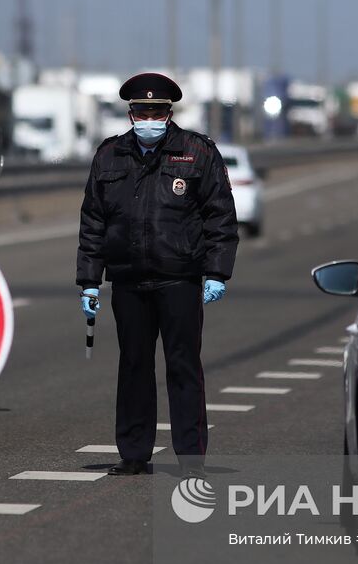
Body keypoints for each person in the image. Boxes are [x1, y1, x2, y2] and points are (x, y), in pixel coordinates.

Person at [76, 72, 238, 479]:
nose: (149, 118)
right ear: (130, 113)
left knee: (183, 366)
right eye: (142, 111)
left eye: (157, 111)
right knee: (133, 366)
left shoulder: (196, 152)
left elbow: (220, 217)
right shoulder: (110, 156)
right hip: (128, 280)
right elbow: (93, 222)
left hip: (179, 279)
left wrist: (217, 272)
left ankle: (190, 458)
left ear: (169, 113)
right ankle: (133, 453)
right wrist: (89, 280)